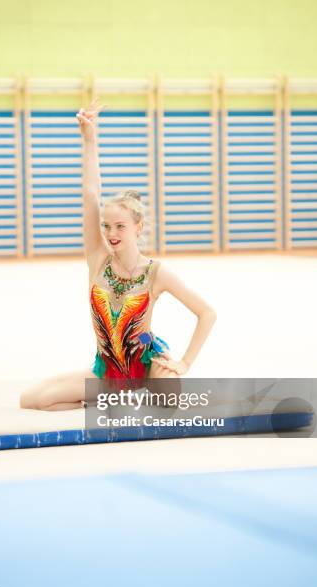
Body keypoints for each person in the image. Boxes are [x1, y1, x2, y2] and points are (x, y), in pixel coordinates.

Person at [20, 98, 217, 411]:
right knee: (32, 400)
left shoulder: (156, 272)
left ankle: (132, 395)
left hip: (145, 368)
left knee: (169, 396)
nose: (111, 233)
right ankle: (103, 400)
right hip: (108, 373)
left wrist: (184, 363)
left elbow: (207, 313)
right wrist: (89, 138)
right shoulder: (98, 259)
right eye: (106, 226)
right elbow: (90, 195)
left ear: (138, 227)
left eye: (120, 226)